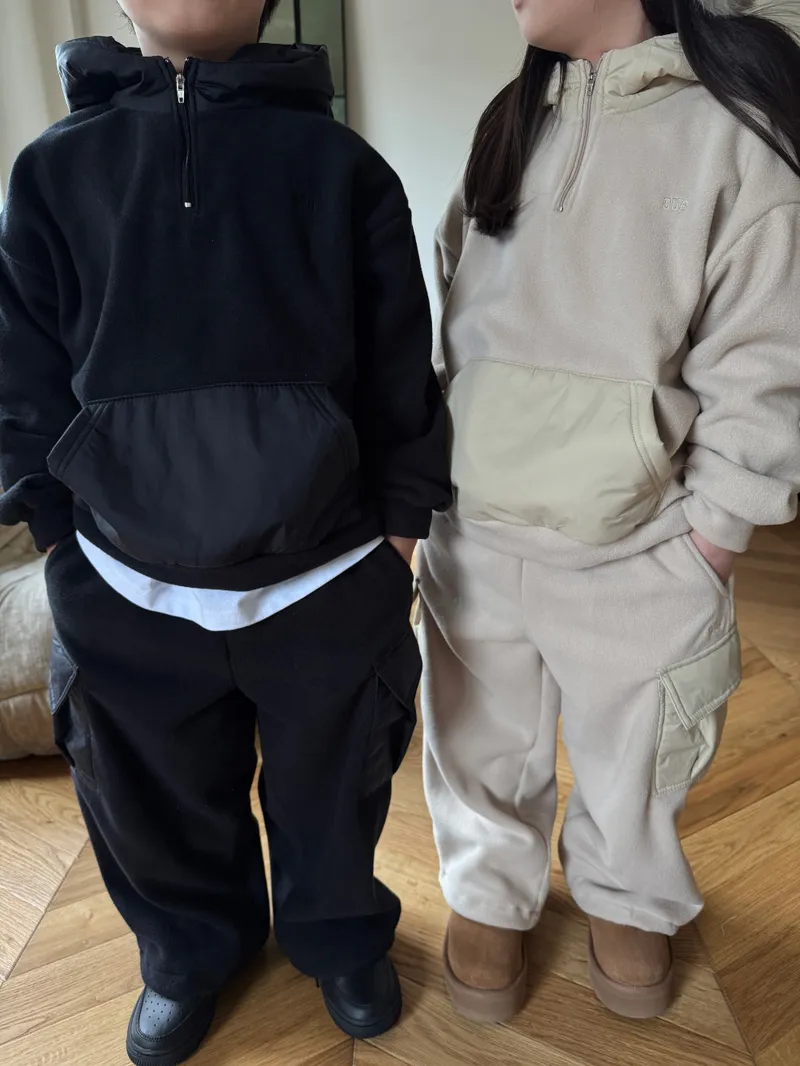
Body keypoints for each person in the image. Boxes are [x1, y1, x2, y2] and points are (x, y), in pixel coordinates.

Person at [0, 2, 451, 1063]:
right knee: (149, 800)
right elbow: (23, 369)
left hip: (327, 573)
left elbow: (400, 363)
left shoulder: (341, 166)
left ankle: (338, 937)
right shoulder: (53, 171)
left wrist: (398, 536)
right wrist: (57, 532)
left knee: (336, 791)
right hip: (124, 576)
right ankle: (188, 955)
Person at [420, 0, 800, 1026]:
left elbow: (764, 357)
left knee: (638, 755)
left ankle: (628, 897)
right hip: (477, 529)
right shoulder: (509, 118)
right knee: (473, 737)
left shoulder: (733, 135)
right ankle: (487, 892)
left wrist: (713, 536)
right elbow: (455, 305)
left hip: (641, 547)